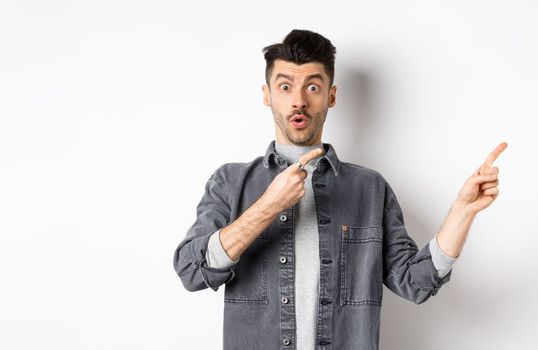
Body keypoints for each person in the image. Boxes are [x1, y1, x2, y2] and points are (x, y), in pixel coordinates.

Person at [172, 29, 506, 349]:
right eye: (285, 86)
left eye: (313, 87)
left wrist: (462, 212)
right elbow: (191, 271)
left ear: (331, 96)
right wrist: (267, 207)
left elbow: (414, 283)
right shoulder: (230, 183)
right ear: (267, 95)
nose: (299, 101)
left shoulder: (370, 189)